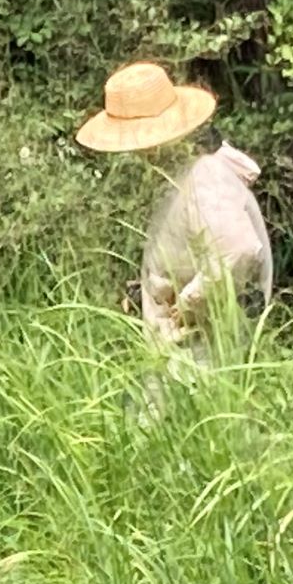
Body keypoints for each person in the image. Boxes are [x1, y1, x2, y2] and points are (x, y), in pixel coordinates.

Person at [75, 62, 271, 361]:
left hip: (206, 356)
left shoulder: (206, 175)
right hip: (186, 351)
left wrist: (188, 304)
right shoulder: (183, 175)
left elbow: (237, 251)